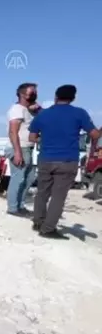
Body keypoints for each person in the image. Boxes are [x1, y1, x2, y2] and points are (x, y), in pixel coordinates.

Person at [28, 84, 100, 238]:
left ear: (56, 97)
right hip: (67, 160)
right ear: (73, 98)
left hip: (46, 159)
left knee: (42, 192)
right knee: (58, 196)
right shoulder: (79, 113)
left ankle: (38, 222)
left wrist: (46, 139)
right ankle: (48, 229)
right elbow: (94, 135)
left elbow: (32, 138)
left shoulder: (43, 115)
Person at [5, 82, 42, 217]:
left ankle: (20, 205)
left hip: (27, 148)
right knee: (18, 178)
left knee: (30, 177)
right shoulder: (17, 109)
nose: (35, 94)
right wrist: (17, 152)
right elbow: (12, 132)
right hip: (19, 148)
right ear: (22, 94)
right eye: (32, 92)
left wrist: (37, 108)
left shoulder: (29, 110)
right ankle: (13, 208)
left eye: (35, 92)